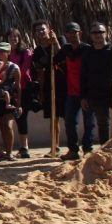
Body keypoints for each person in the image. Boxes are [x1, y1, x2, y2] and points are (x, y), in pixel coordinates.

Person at [81, 22, 112, 146]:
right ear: (91, 35)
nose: (98, 35)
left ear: (106, 34)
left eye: (101, 32)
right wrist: (83, 96)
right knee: (103, 123)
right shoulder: (88, 53)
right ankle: (105, 148)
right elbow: (83, 76)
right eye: (95, 32)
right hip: (96, 92)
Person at [57, 23, 96, 160]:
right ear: (66, 35)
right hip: (71, 92)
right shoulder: (66, 49)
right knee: (70, 122)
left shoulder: (87, 49)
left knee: (89, 122)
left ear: (80, 33)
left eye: (74, 32)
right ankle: (73, 150)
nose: (72, 35)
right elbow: (55, 59)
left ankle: (88, 149)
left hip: (86, 92)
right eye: (69, 33)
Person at [32, 20, 65, 154]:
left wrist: (55, 42)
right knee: (53, 117)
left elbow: (63, 56)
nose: (41, 32)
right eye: (38, 30)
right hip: (48, 84)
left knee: (66, 115)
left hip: (62, 82)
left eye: (43, 29)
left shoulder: (59, 41)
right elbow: (39, 72)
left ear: (48, 29)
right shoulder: (37, 51)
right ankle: (54, 146)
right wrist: (41, 91)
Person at [6, 28, 35, 158]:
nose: (13, 39)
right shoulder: (6, 53)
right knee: (12, 118)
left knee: (21, 117)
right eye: (11, 37)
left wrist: (9, 77)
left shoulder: (26, 53)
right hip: (10, 90)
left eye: (15, 37)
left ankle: (24, 147)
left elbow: (22, 71)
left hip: (23, 89)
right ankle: (10, 149)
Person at [0, 43, 21, 161]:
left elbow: (18, 87)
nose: (0, 54)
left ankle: (9, 152)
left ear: (8, 53)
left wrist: (18, 105)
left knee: (8, 126)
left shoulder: (14, 67)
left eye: (3, 51)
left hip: (9, 100)